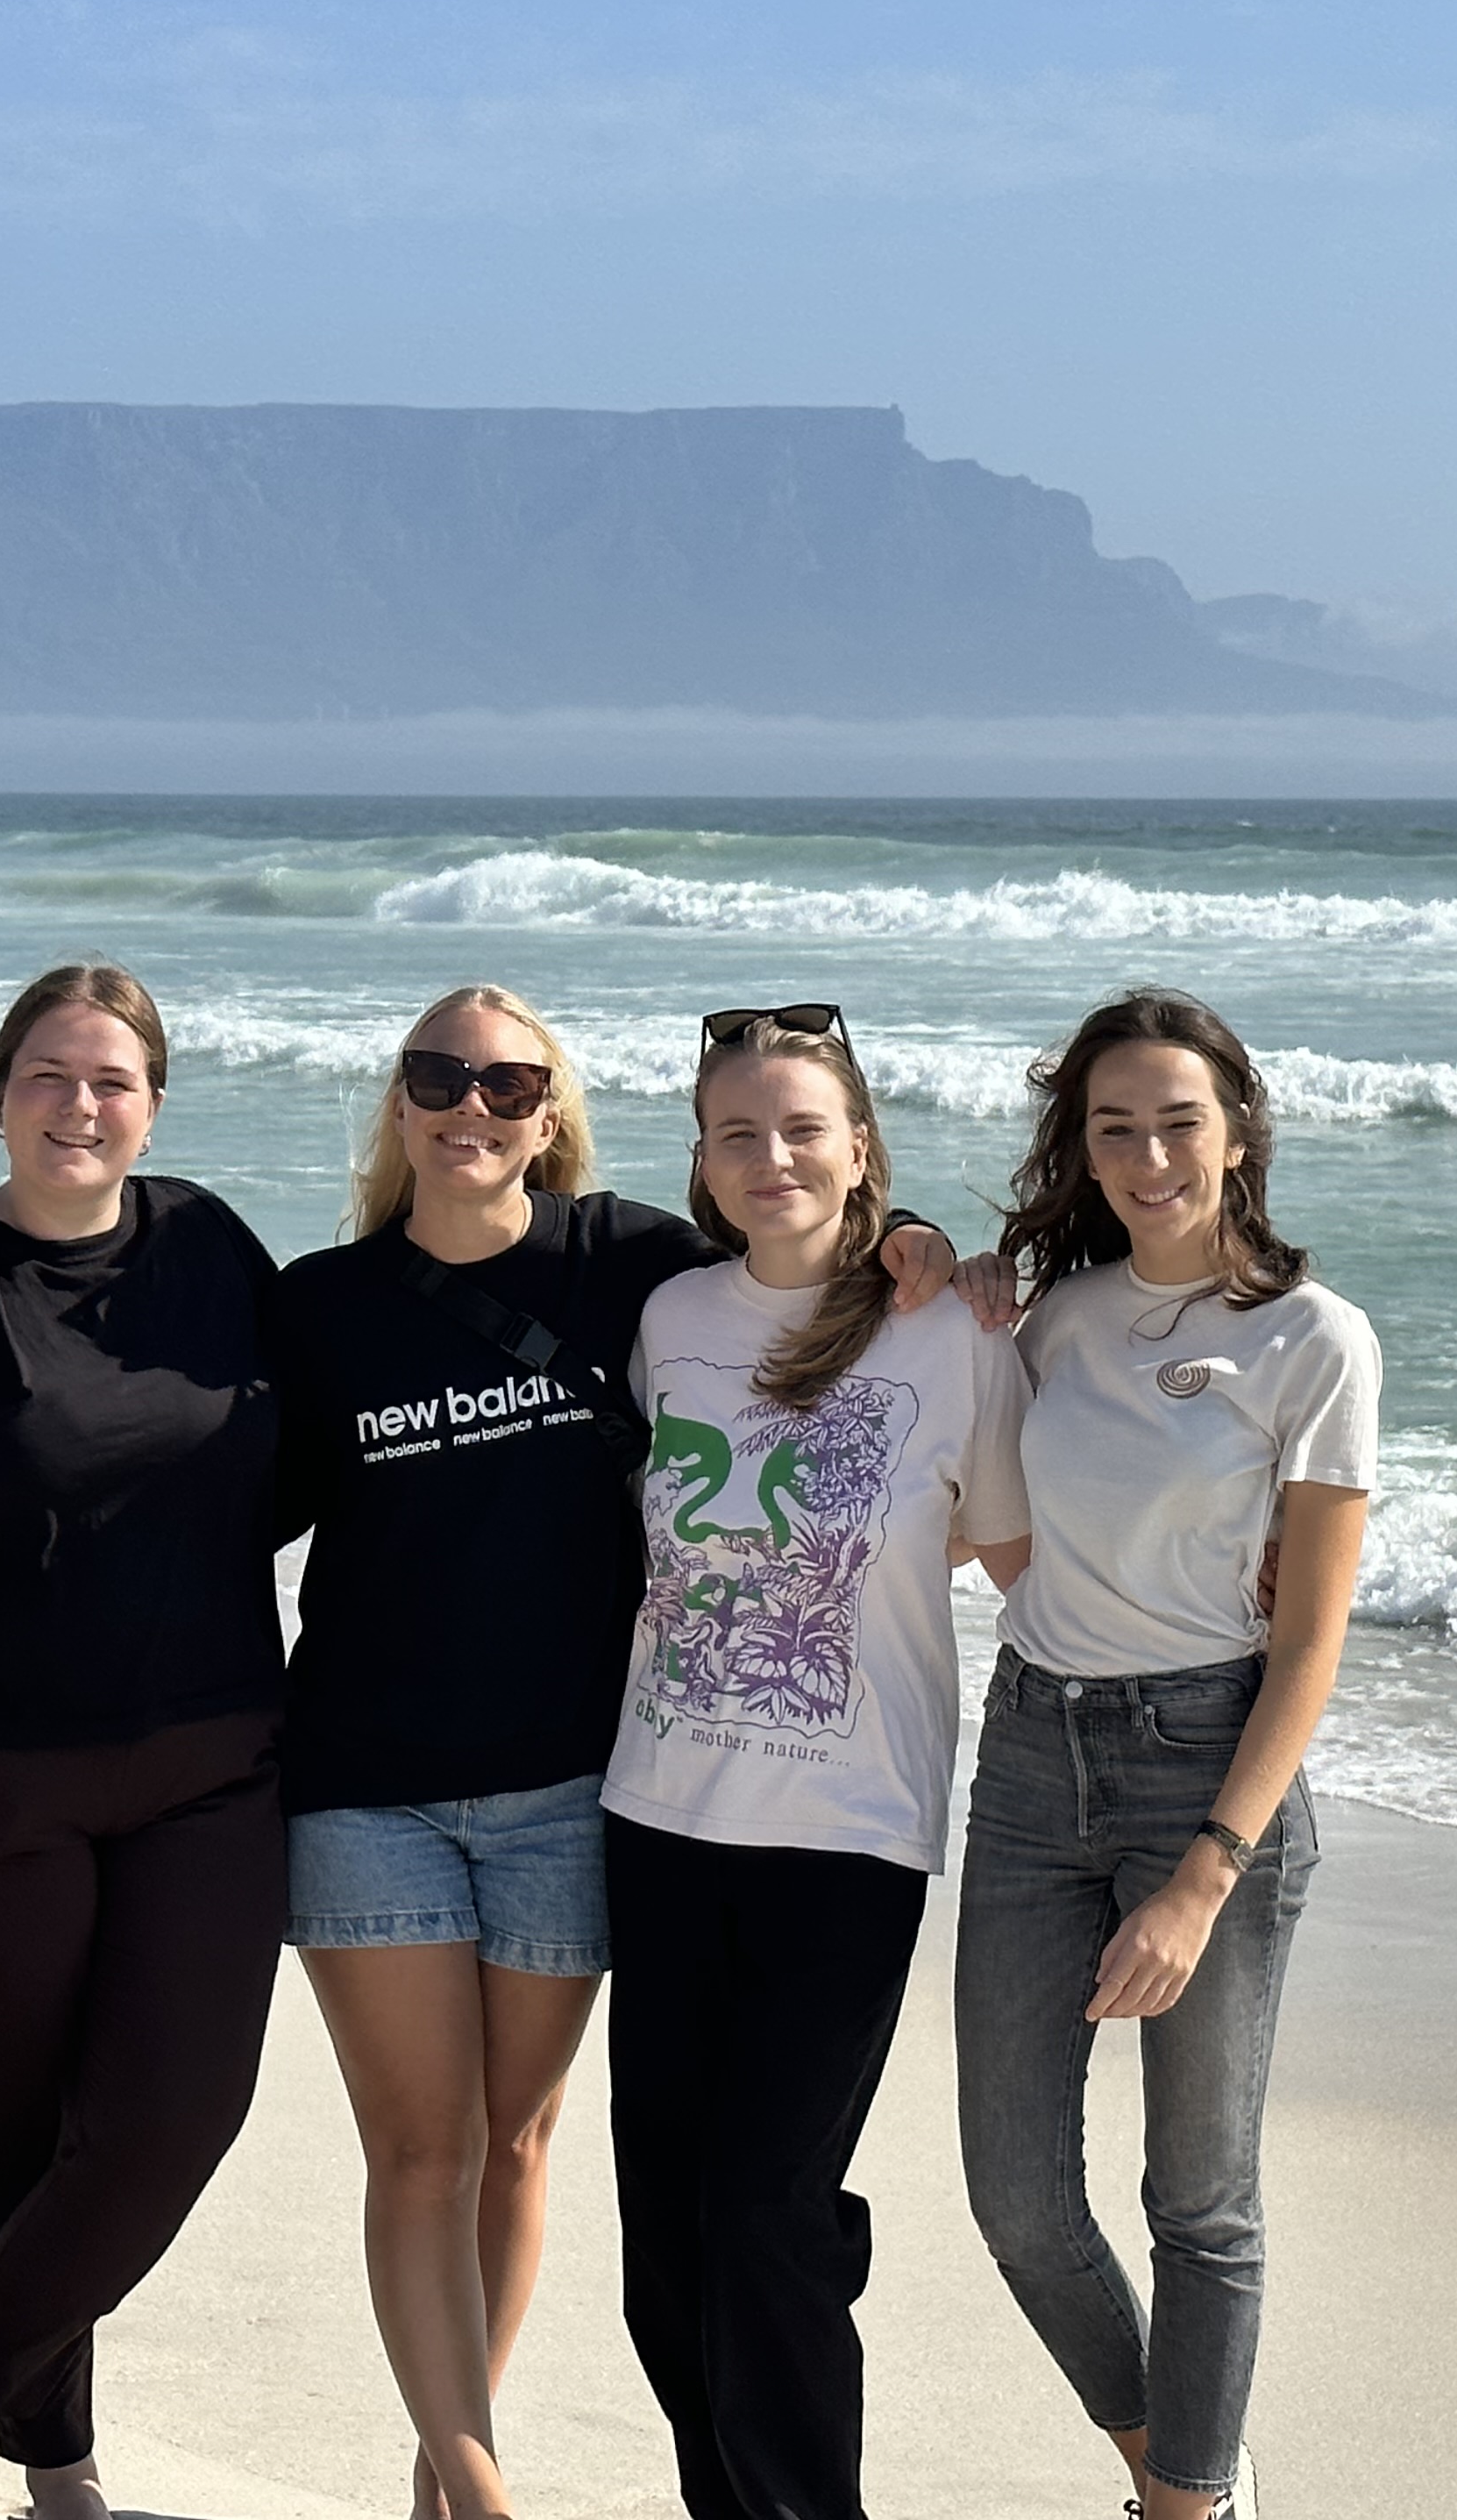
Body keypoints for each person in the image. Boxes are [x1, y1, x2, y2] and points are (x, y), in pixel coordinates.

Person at [271, 986, 967, 2520]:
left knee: (528, 2150)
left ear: (553, 1114)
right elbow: (200, 1502)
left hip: (586, 1792)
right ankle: (475, 2484)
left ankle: (457, 2462)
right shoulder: (322, 1306)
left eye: (511, 1081)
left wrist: (909, 1234)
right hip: (397, 1785)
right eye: (440, 1076)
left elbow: (803, 1238)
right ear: (398, 1102)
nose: (473, 1104)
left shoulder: (631, 1267)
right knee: (436, 2153)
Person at [0, 963, 288, 2520]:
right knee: (12, 2133)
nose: (78, 1105)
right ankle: (59, 2468)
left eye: (109, 1080)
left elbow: (313, 1439)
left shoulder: (213, 1246)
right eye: (47, 1074)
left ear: (153, 1101)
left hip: (214, 1768)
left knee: (176, 2114)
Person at [597, 1006, 1031, 2520]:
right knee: (664, 2240)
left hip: (848, 1844)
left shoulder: (961, 1332)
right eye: (737, 1133)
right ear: (703, 1166)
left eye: (801, 1129)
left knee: (767, 2213)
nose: (770, 1156)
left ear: (861, 1151)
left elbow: (1029, 1561)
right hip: (658, 1821)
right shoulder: (669, 1320)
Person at [952, 990, 1376, 2520]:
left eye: (1177, 1121)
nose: (1145, 1154)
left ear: (1241, 1131)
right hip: (1026, 1759)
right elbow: (1002, 1537)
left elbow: (1312, 1641)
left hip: (1208, 1768)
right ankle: (1173, 2453)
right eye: (1112, 1126)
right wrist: (943, 1294)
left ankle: (1183, 2506)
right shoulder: (1056, 1319)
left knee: (1199, 2199)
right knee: (1013, 2196)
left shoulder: (1314, 1342)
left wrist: (1206, 1875)